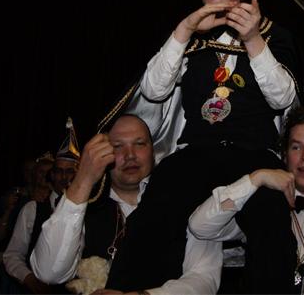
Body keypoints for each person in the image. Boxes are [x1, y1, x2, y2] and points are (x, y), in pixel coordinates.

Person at [107, 0, 299, 291]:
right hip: (198, 150)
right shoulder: (191, 37)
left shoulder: (275, 35)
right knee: (156, 207)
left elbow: (283, 98)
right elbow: (153, 90)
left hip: (253, 151)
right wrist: (184, 30)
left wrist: (253, 40)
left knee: (272, 222)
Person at [189, 105, 304, 294]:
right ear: (285, 154)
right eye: (296, 147)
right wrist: (256, 178)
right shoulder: (260, 206)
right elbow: (199, 226)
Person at [30, 114, 221, 294]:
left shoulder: (185, 199)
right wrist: (83, 179)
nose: (130, 155)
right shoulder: (84, 205)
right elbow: (49, 273)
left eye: (139, 144)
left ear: (153, 151)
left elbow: (204, 278)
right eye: (118, 146)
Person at [1, 121, 80, 293]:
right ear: (52, 175)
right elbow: (12, 255)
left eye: (69, 171)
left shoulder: (90, 211)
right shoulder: (32, 209)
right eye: (59, 171)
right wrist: (30, 279)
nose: (64, 177)